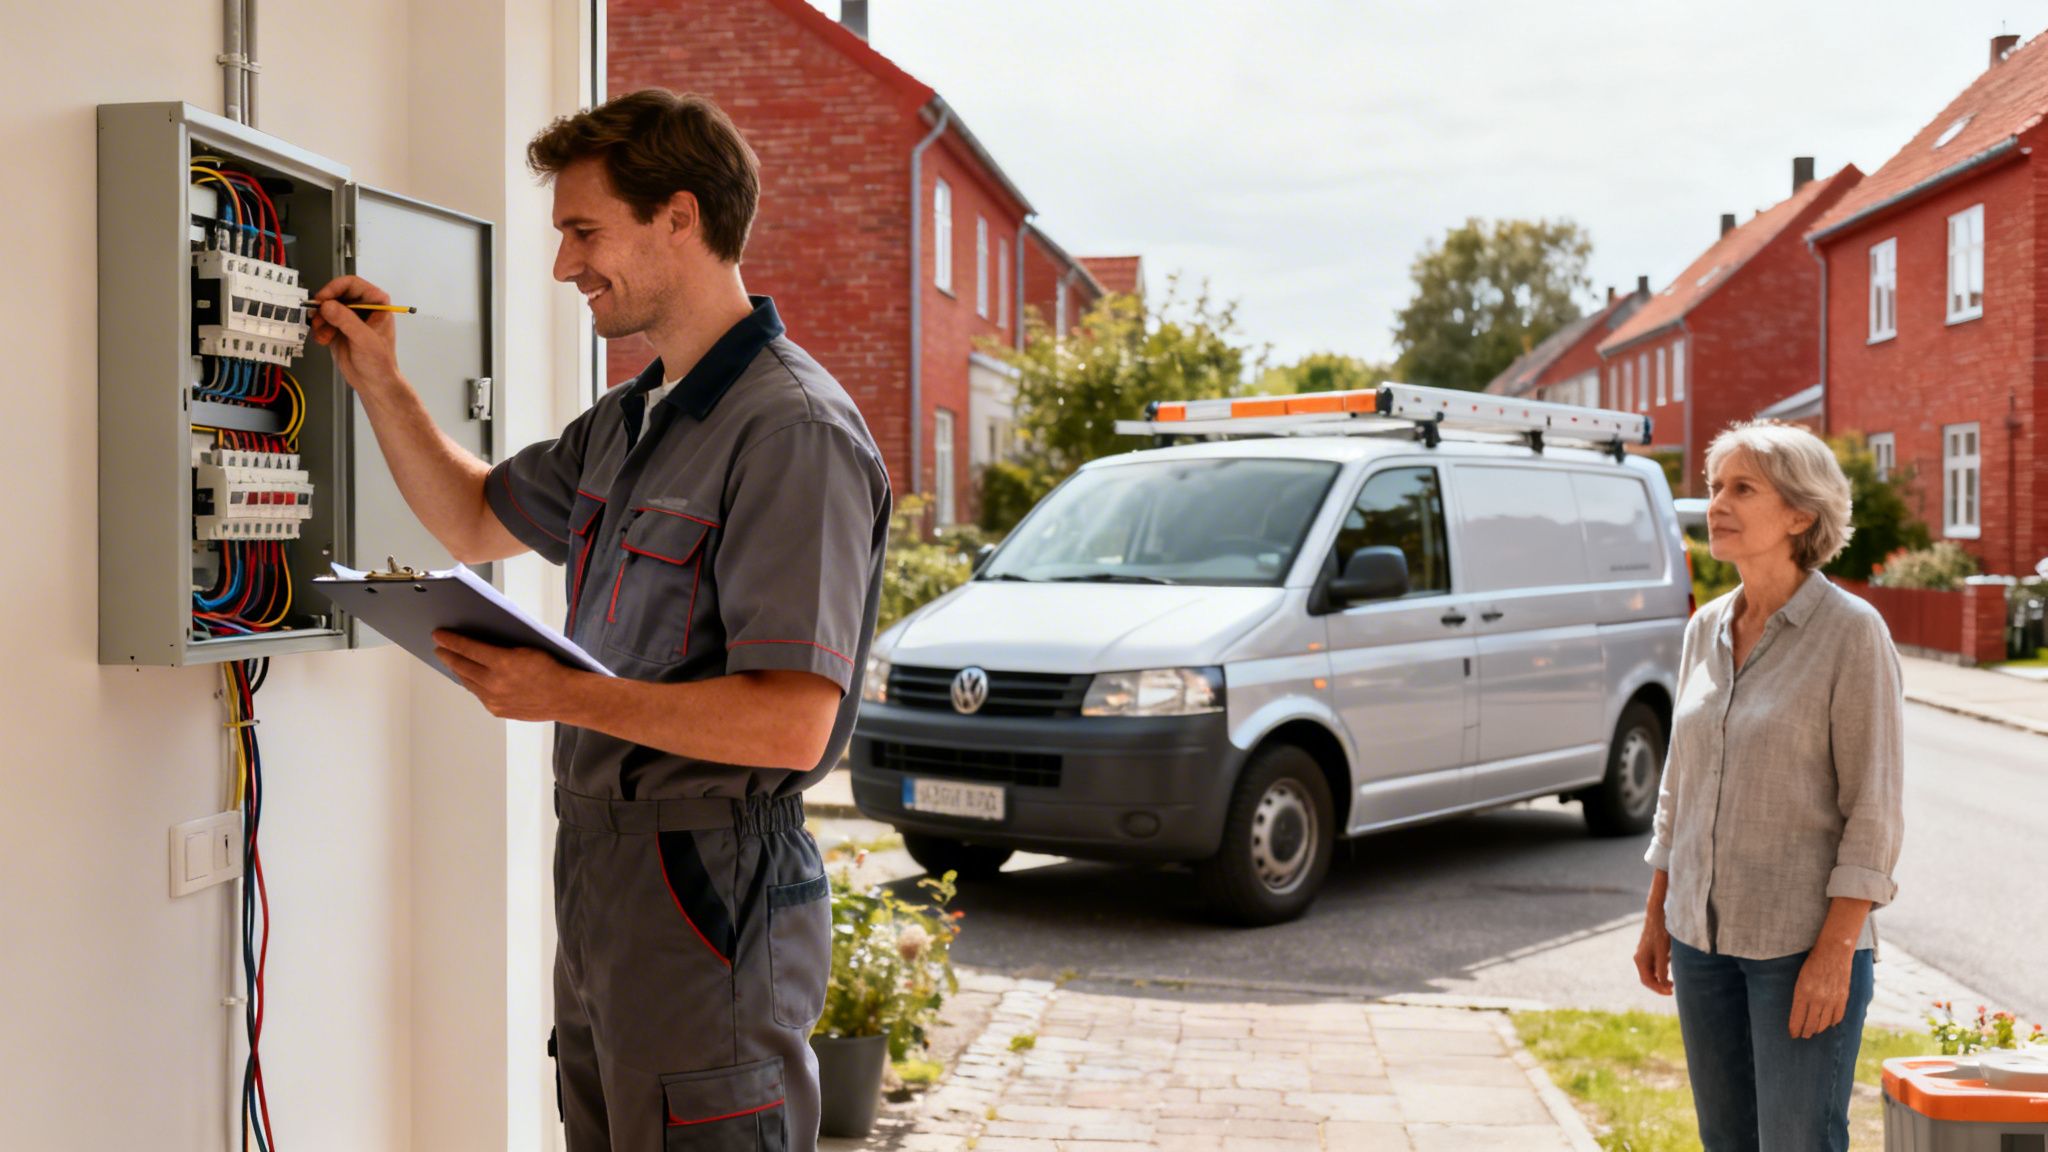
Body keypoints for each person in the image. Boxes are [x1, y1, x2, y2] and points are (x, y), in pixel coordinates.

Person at [308, 89, 890, 1151]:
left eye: (583, 231)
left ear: (679, 217)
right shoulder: (631, 421)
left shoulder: (791, 433)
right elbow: (476, 518)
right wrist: (380, 383)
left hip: (706, 885)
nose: (563, 265)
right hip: (603, 872)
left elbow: (790, 726)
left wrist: (561, 695)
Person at [1633, 421, 1904, 1151]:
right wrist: (1660, 912)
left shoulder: (1852, 634)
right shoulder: (1706, 629)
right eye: (1715, 487)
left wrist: (1835, 953)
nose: (1716, 503)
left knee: (1797, 1142)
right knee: (1727, 1142)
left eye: (1742, 489)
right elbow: (1677, 790)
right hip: (1700, 941)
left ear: (1800, 514)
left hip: (1800, 947)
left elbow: (1873, 812)